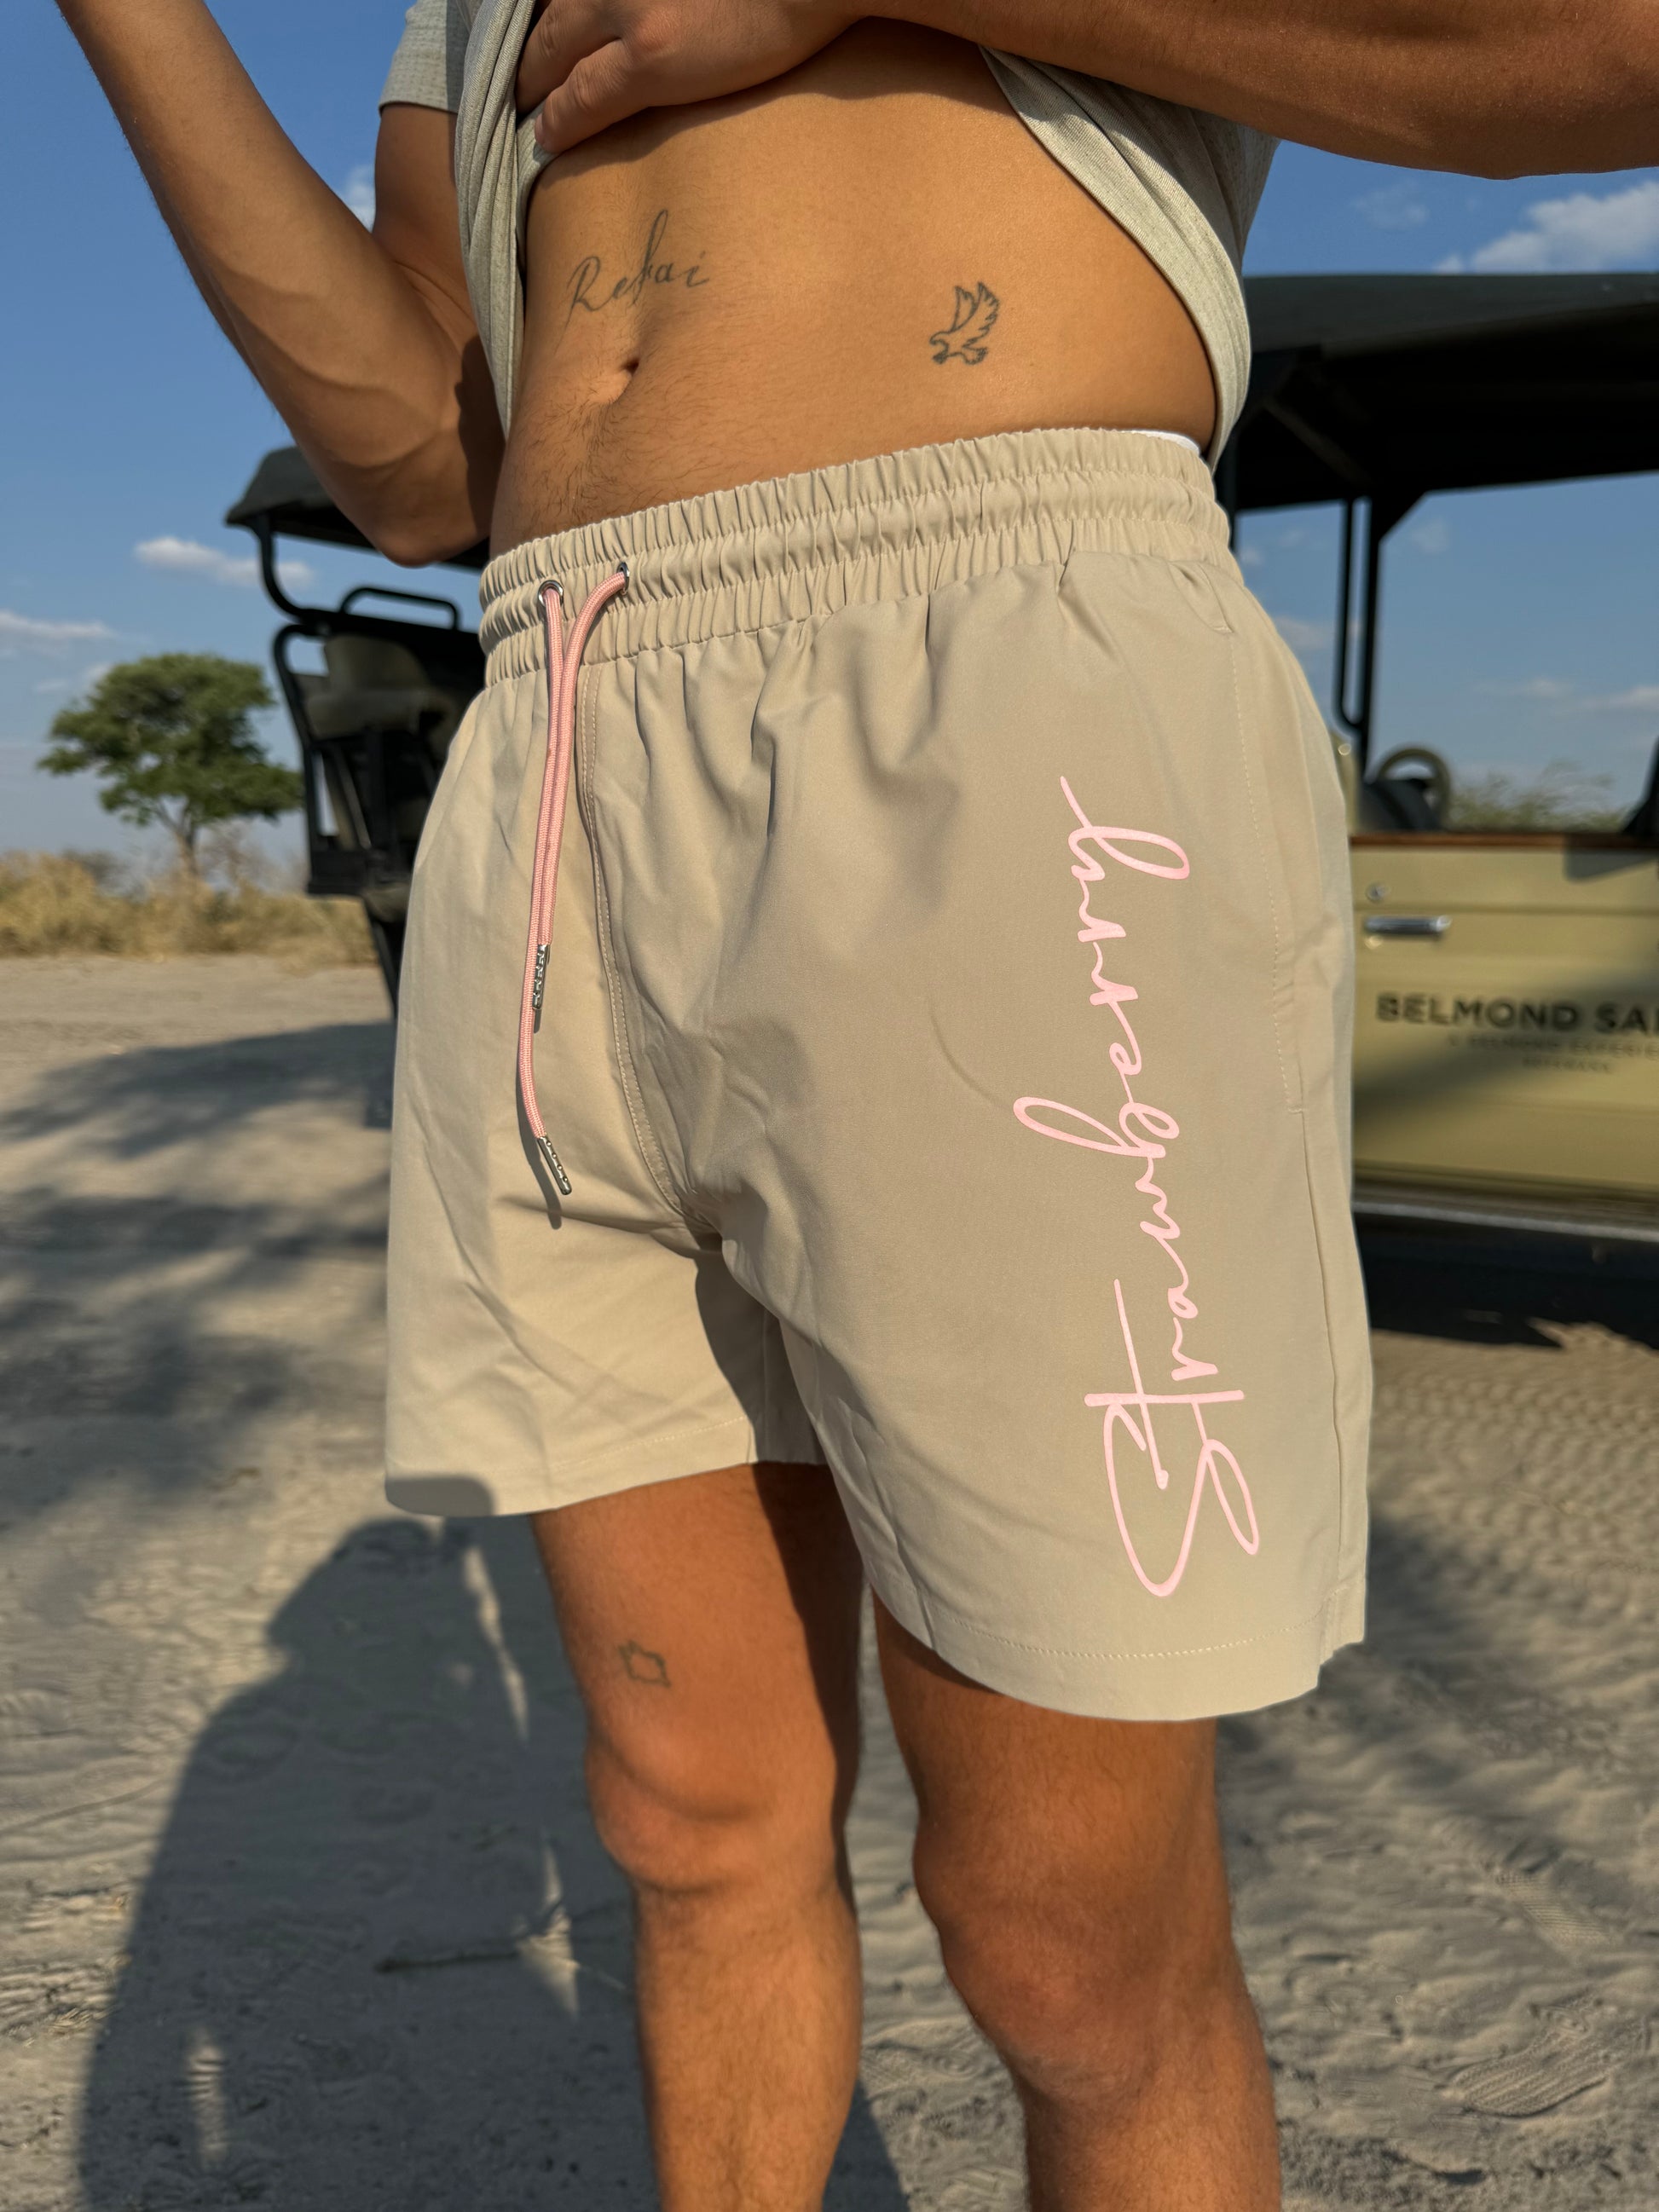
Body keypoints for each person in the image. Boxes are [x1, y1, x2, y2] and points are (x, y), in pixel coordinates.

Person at [55, 2, 1658, 2204]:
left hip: (991, 666)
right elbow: (424, 464)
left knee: (1065, 1946)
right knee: (688, 1822)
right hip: (557, 721)